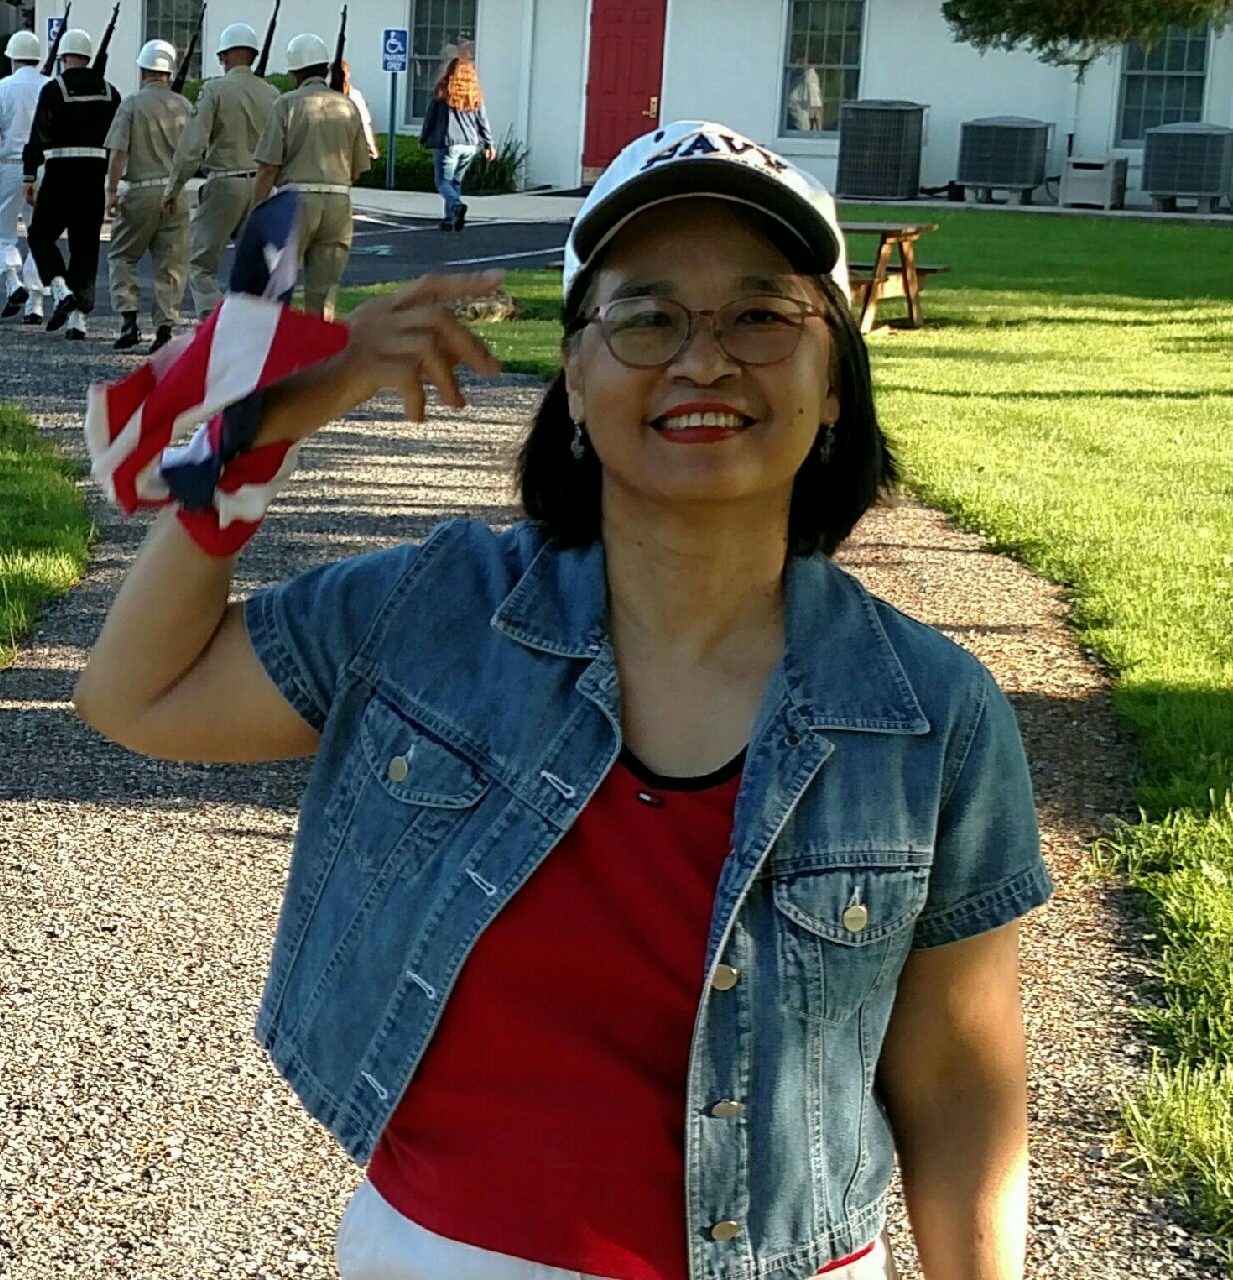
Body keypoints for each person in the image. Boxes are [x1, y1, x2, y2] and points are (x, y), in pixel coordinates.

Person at [74, 121, 1052, 1280]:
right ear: (575, 381)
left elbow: (956, 1085)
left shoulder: (931, 712)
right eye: (645, 317)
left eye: (759, 316)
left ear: (831, 378)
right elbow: (139, 694)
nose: (702, 361)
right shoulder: (436, 611)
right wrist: (272, 423)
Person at [163, 22, 281, 319]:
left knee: (202, 263)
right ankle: (252, 321)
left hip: (225, 183)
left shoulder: (215, 90)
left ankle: (213, 319)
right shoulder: (272, 94)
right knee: (253, 263)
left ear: (225, 56)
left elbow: (193, 146)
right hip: (263, 185)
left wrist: (174, 186)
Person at [252, 32, 370, 319]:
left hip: (295, 201)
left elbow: (269, 166)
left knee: (277, 285)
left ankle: (276, 341)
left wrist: (257, 209)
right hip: (338, 203)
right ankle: (320, 344)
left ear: (294, 73)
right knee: (324, 293)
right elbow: (357, 169)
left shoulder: (286, 104)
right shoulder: (348, 106)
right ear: (325, 69)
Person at [22, 27, 120, 340]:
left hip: (60, 173)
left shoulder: (55, 89)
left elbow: (39, 134)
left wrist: (29, 174)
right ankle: (78, 320)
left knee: (40, 235)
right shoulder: (111, 92)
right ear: (88, 57)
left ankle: (59, 287)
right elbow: (118, 139)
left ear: (63, 57)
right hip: (93, 176)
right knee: (85, 246)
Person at [104, 40, 192, 353]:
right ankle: (165, 327)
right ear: (170, 72)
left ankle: (129, 319)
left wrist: (111, 191)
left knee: (122, 255)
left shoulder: (131, 105)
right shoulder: (184, 106)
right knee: (171, 263)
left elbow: (118, 151)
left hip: (140, 190)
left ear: (143, 70)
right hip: (176, 191)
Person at [0, 30, 47, 324]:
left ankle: (12, 281)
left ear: (12, 58)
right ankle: (36, 302)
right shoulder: (49, 86)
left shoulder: (1, 88)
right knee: (40, 235)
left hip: (11, 165)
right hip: (44, 167)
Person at [419, 53, 494, 231]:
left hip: (448, 142)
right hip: (470, 144)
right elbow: (482, 120)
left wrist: (424, 138)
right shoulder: (474, 94)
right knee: (455, 182)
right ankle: (450, 219)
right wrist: (489, 143)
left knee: (443, 183)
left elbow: (430, 118)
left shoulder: (442, 91)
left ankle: (455, 206)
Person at [342, 61, 379, 162]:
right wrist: (371, 147)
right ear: (348, 74)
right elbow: (364, 123)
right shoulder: (355, 96)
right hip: (350, 147)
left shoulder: (324, 96)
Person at [788, 58, 824, 132]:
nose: (797, 63)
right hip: (792, 124)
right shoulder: (793, 77)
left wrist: (818, 133)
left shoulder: (810, 79)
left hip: (803, 128)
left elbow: (815, 106)